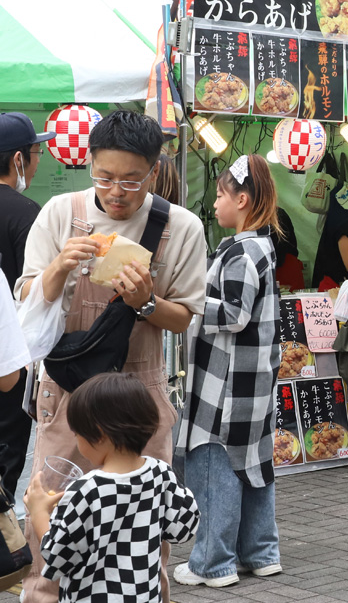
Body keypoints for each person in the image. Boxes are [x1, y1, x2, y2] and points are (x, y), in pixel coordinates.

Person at [16, 110, 205, 603]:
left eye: (130, 180)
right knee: (51, 518)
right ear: (90, 165)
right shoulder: (60, 211)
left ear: (154, 170)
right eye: (103, 177)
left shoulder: (180, 226)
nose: (115, 191)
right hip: (68, 394)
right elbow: (27, 297)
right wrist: (60, 265)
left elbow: (184, 316)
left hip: (138, 393)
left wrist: (145, 300)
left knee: (146, 529)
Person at [175, 154, 283, 588]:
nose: (216, 203)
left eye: (221, 195)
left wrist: (189, 302)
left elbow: (235, 314)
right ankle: (261, 553)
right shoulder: (264, 246)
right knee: (254, 466)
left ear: (242, 199)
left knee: (213, 463)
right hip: (254, 381)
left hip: (225, 382)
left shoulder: (241, 250)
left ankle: (211, 563)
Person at [23, 373, 199, 603]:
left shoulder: (85, 491)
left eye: (78, 435)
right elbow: (184, 528)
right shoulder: (160, 473)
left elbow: (60, 556)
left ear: (100, 435)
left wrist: (39, 513)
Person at [0, 112, 51, 500]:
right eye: (36, 153)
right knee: (6, 460)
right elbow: (35, 293)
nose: (38, 162)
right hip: (10, 362)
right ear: (19, 159)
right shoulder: (27, 214)